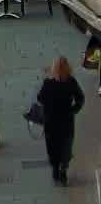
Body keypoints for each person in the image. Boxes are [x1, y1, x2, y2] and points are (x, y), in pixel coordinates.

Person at [34, 56, 85, 185]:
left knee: (52, 146)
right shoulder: (71, 82)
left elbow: (40, 98)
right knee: (66, 145)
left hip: (51, 121)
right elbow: (80, 98)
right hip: (66, 120)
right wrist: (74, 110)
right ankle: (63, 167)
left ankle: (55, 169)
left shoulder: (48, 83)